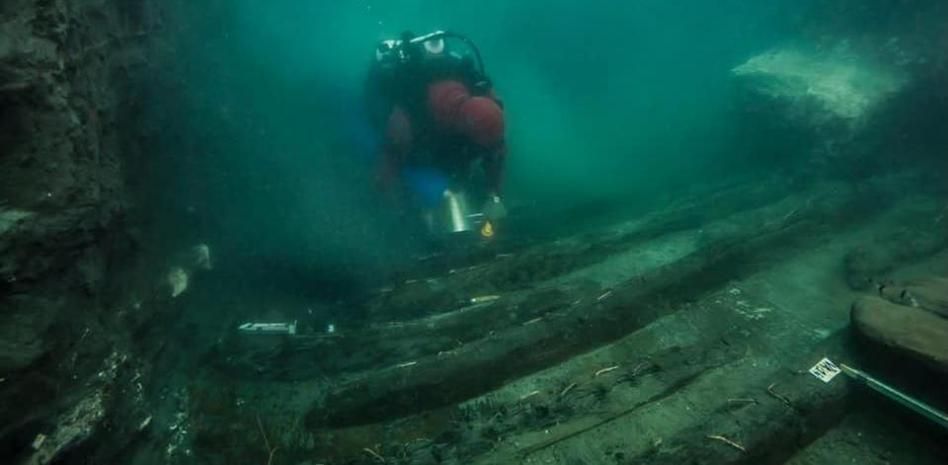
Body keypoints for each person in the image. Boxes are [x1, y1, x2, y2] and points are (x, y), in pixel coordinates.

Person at [364, 31, 507, 233]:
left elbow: (496, 150)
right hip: (419, 146)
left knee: (459, 170)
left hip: (443, 143)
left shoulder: (483, 95)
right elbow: (387, 168)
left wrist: (494, 195)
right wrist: (399, 215)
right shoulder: (408, 117)